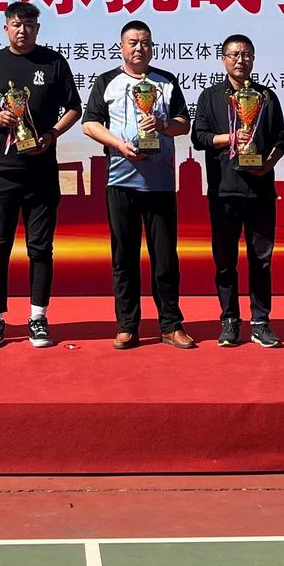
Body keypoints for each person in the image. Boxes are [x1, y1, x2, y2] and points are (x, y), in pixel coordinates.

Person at [0, 0, 81, 350]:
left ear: (37, 29)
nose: (22, 30)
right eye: (16, 24)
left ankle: (38, 317)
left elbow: (74, 108)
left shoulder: (54, 62)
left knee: (40, 248)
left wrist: (52, 134)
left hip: (41, 171)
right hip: (0, 172)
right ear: (6, 28)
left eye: (29, 24)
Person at [81, 20, 195, 350]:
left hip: (160, 185)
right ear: (121, 47)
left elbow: (183, 125)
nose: (139, 48)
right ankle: (128, 325)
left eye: (145, 42)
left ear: (152, 47)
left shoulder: (166, 81)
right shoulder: (107, 81)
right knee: (124, 258)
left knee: (165, 259)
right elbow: (89, 124)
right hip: (121, 181)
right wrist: (119, 145)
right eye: (132, 42)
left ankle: (171, 325)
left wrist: (162, 124)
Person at [191, 33, 284, 348]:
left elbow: (281, 137)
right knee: (225, 261)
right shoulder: (210, 97)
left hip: (260, 191)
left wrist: (269, 162)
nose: (240, 60)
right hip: (224, 192)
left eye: (246, 54)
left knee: (262, 259)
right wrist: (230, 138)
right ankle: (230, 320)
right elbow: (198, 137)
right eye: (234, 54)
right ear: (223, 59)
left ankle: (261, 322)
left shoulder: (266, 96)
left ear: (253, 59)